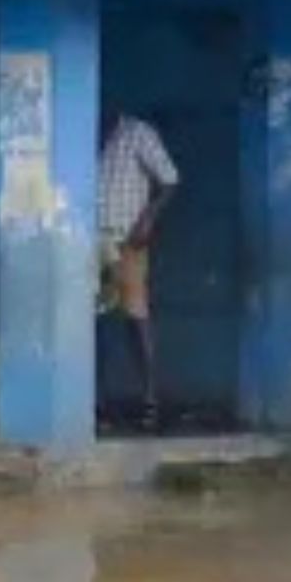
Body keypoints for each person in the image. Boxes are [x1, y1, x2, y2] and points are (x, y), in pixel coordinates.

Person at [99, 108, 179, 430]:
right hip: (89, 242)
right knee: (96, 325)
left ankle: (150, 399)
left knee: (136, 318)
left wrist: (148, 220)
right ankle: (97, 403)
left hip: (128, 241)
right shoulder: (81, 128)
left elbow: (170, 181)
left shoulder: (137, 133)